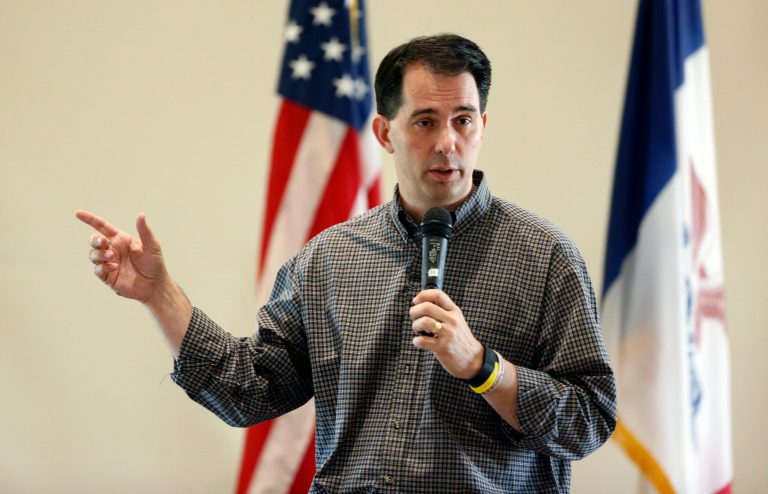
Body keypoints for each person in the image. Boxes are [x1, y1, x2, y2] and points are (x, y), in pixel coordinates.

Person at [77, 33, 616, 493]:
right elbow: (248, 389)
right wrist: (159, 293)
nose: (447, 142)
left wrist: (483, 367)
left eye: (463, 121)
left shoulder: (544, 255)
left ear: (482, 126)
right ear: (385, 133)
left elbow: (590, 419)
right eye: (425, 122)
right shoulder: (329, 258)